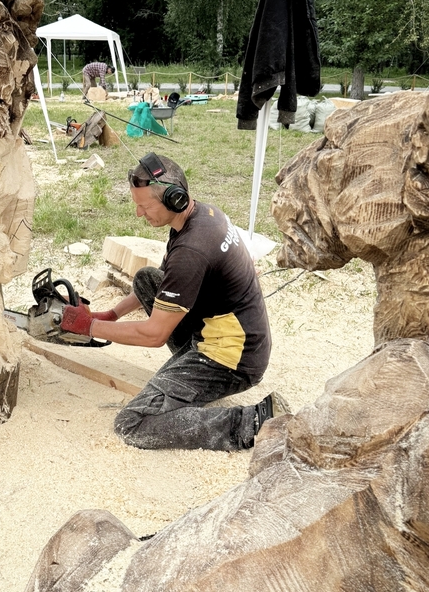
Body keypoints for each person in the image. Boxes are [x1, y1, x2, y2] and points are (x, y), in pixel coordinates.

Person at [60, 153, 289, 451]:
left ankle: (255, 422)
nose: (138, 214)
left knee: (132, 423)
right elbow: (166, 278)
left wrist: (88, 327)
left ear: (174, 199)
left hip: (233, 360)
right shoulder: (200, 217)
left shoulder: (192, 251)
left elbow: (154, 335)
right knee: (147, 279)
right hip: (233, 333)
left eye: (144, 206)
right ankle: (190, 364)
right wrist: (110, 315)